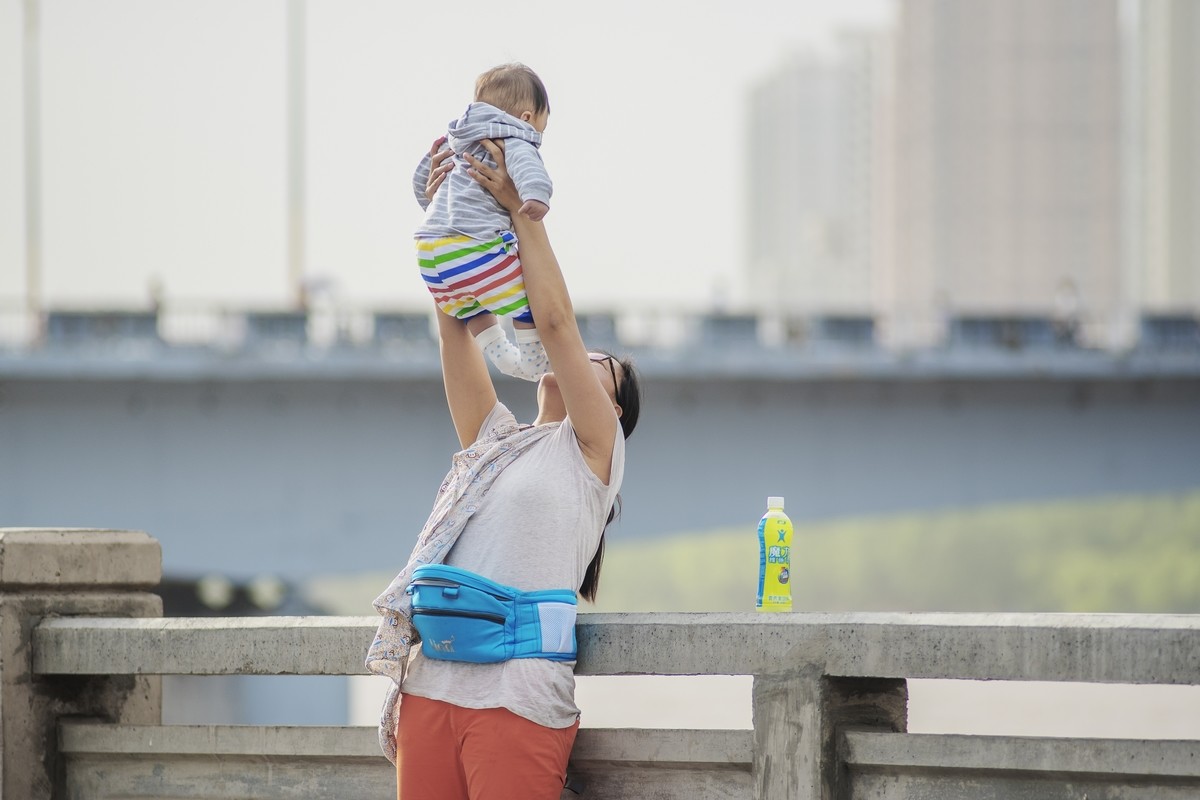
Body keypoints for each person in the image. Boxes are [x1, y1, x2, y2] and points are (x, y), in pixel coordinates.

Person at [367, 137, 643, 800]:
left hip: (516, 698)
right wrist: (449, 218)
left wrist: (522, 212)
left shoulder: (594, 454)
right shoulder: (496, 443)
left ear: (611, 404)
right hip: (431, 688)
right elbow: (454, 328)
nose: (582, 359)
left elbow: (552, 323)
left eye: (599, 363)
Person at [413, 63, 555, 383]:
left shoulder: (457, 137)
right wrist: (535, 197)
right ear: (527, 118)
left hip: (429, 250)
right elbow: (529, 168)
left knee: (469, 304)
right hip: (473, 245)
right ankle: (533, 364)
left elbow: (423, 177)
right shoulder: (513, 136)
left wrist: (432, 204)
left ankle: (502, 357)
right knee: (531, 297)